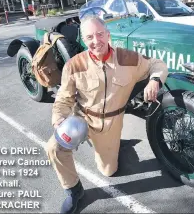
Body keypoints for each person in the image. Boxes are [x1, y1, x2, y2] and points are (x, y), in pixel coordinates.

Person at [45, 14, 168, 214]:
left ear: (108, 35)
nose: (96, 41)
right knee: (54, 147)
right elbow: (64, 99)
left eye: (100, 34)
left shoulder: (127, 59)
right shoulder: (74, 65)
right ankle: (73, 190)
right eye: (90, 37)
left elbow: (158, 65)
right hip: (81, 118)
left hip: (111, 123)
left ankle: (116, 145)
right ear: (83, 40)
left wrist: (155, 80)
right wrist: (58, 118)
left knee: (108, 171)